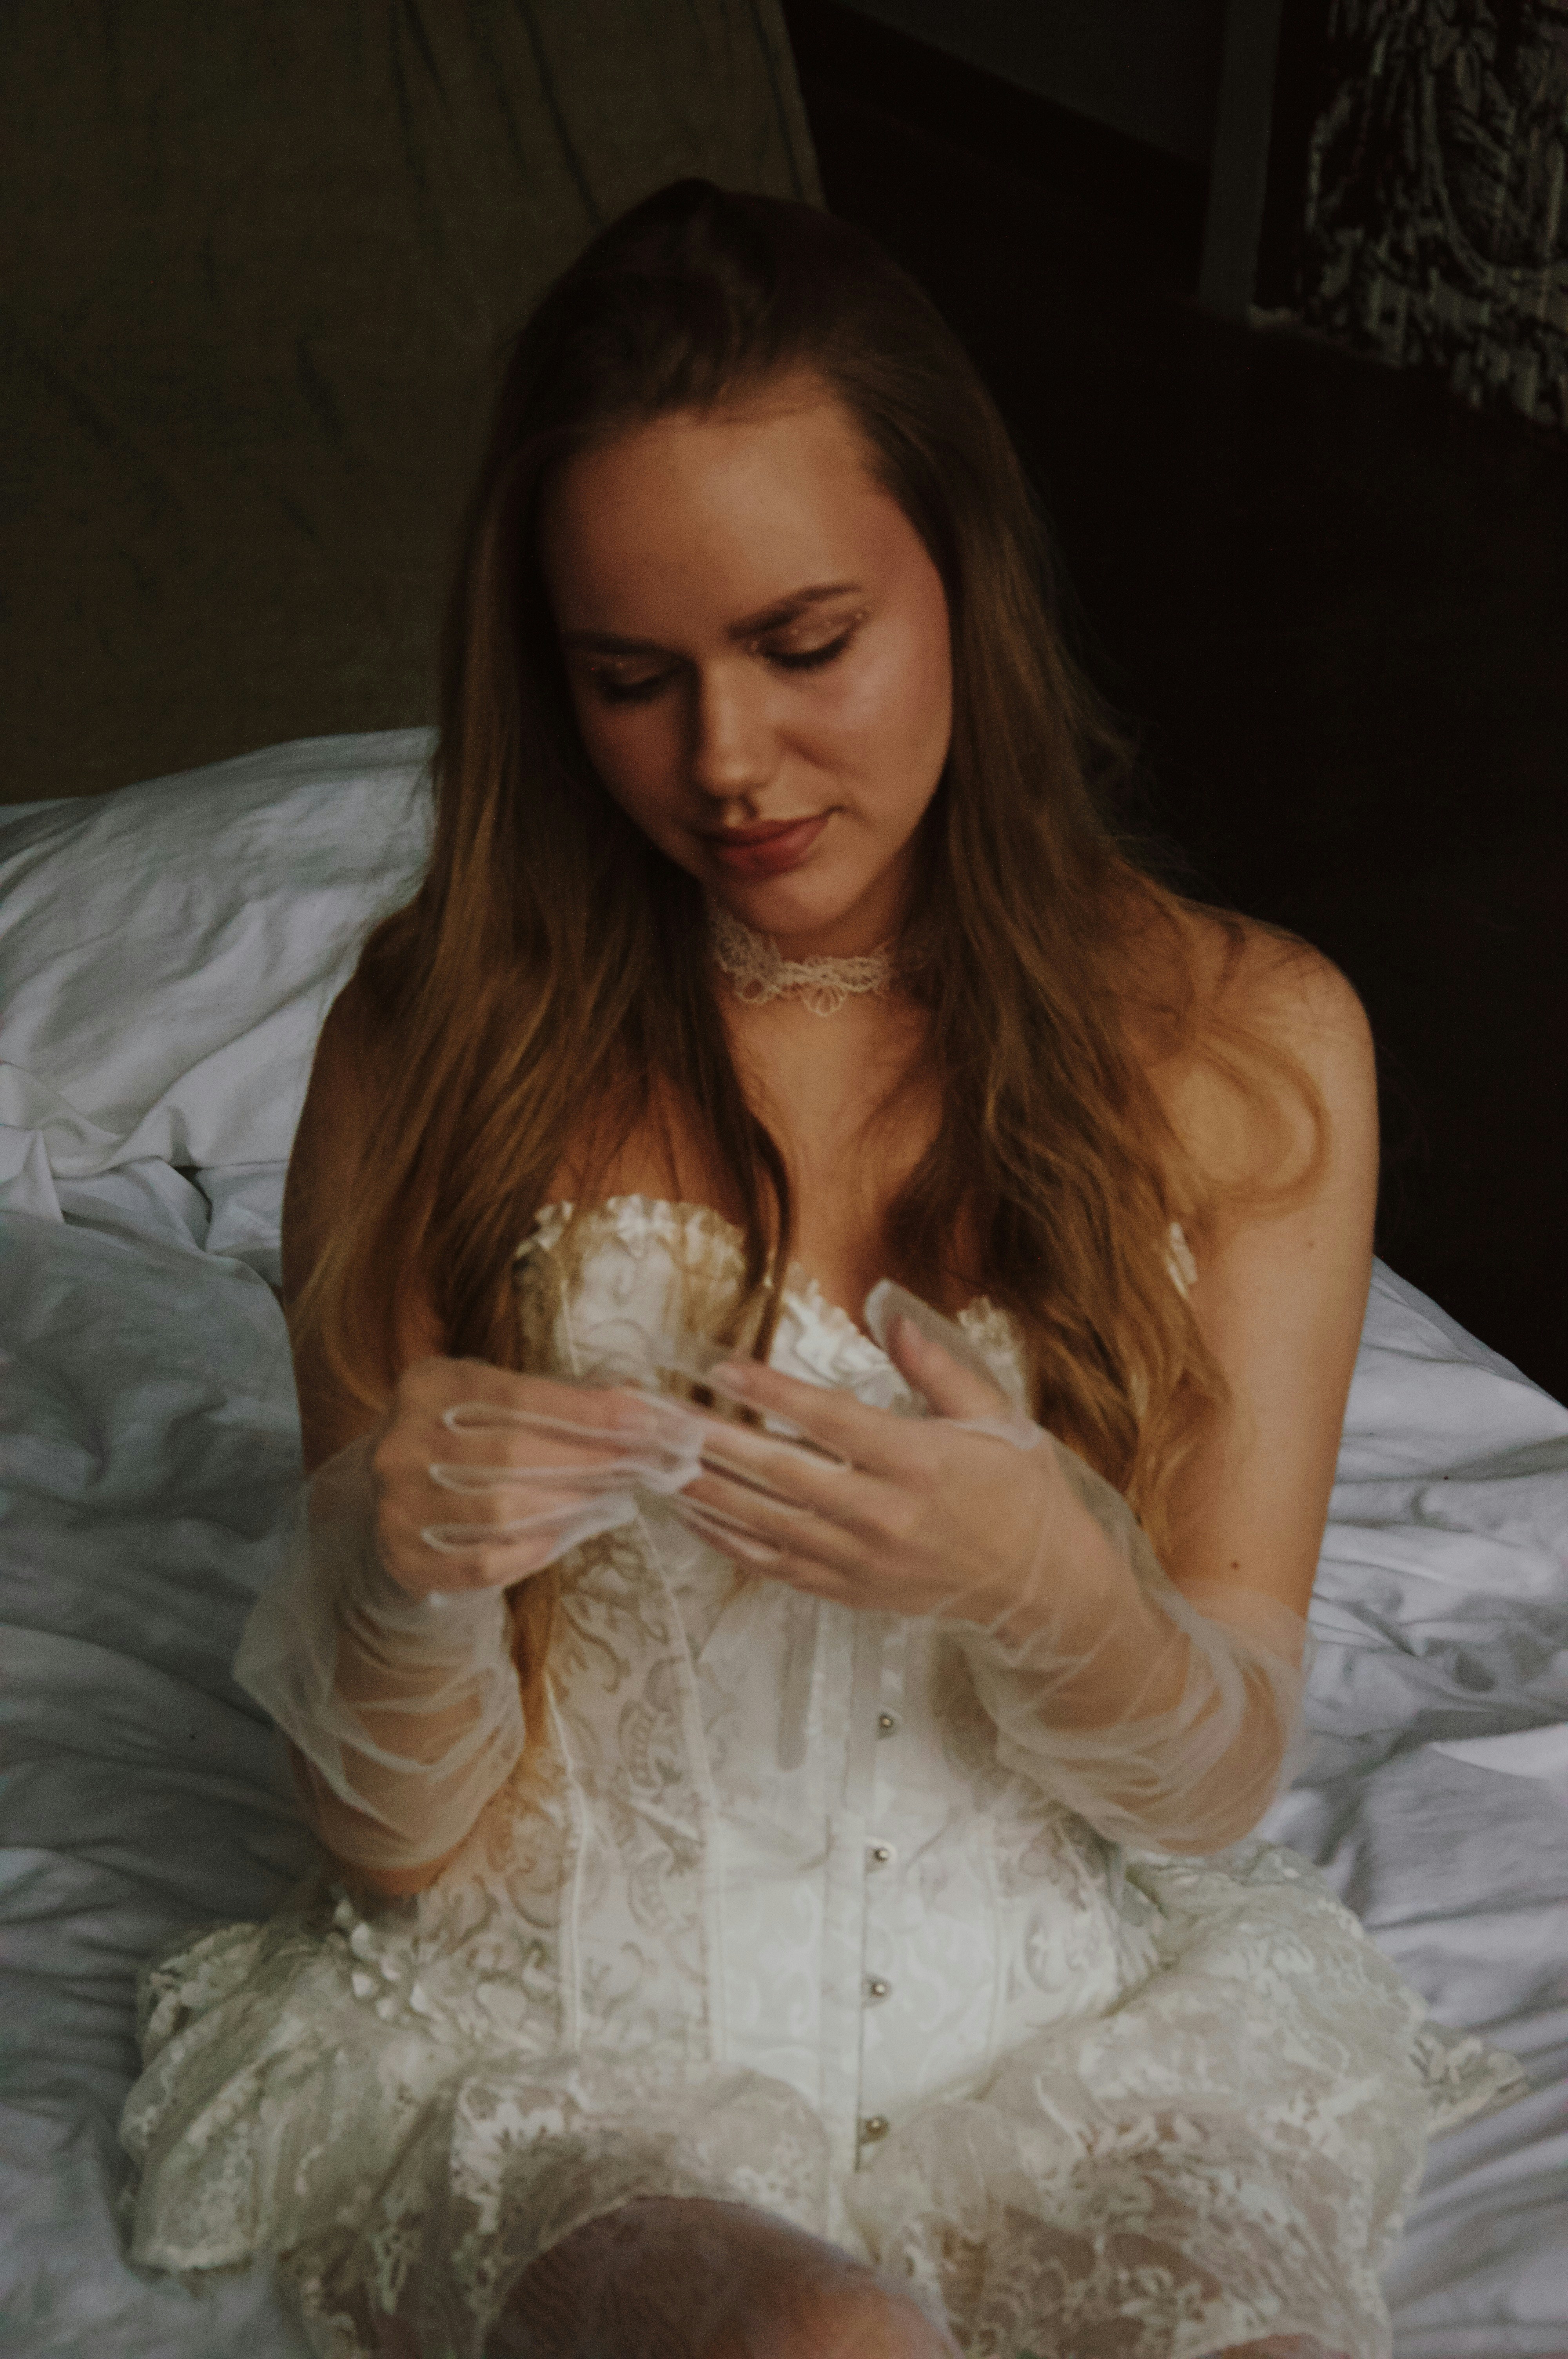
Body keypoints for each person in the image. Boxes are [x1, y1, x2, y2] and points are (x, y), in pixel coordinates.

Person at [118, 179, 1525, 2359]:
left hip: (1070, 2037)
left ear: (966, 581)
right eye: (629, 682)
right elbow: (403, 1847)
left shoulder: (1250, 1048)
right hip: (575, 2048)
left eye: (804, 645)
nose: (730, 766)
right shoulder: (435, 1045)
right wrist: (401, 1586)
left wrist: (1057, 1591)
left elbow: (1221, 1772)